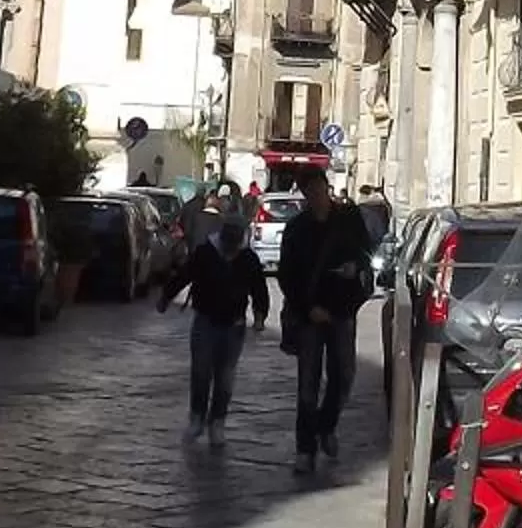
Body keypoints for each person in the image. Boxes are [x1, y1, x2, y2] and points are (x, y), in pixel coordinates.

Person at [276, 166, 374, 476]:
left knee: (344, 375)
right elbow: (286, 275)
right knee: (308, 383)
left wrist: (354, 266)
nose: (316, 196)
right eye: (310, 192)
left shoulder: (348, 219)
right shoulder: (297, 229)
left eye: (319, 189)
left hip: (343, 310)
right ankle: (305, 449)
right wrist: (308, 308)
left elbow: (366, 254)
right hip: (310, 315)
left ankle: (326, 425)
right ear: (304, 195)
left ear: (326, 188)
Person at [155, 205, 267, 447]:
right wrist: (166, 296)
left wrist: (260, 315)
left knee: (225, 377)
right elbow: (184, 275)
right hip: (206, 320)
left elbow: (259, 288)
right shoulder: (205, 253)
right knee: (201, 372)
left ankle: (217, 421)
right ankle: (197, 417)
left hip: (234, 324)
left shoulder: (248, 258)